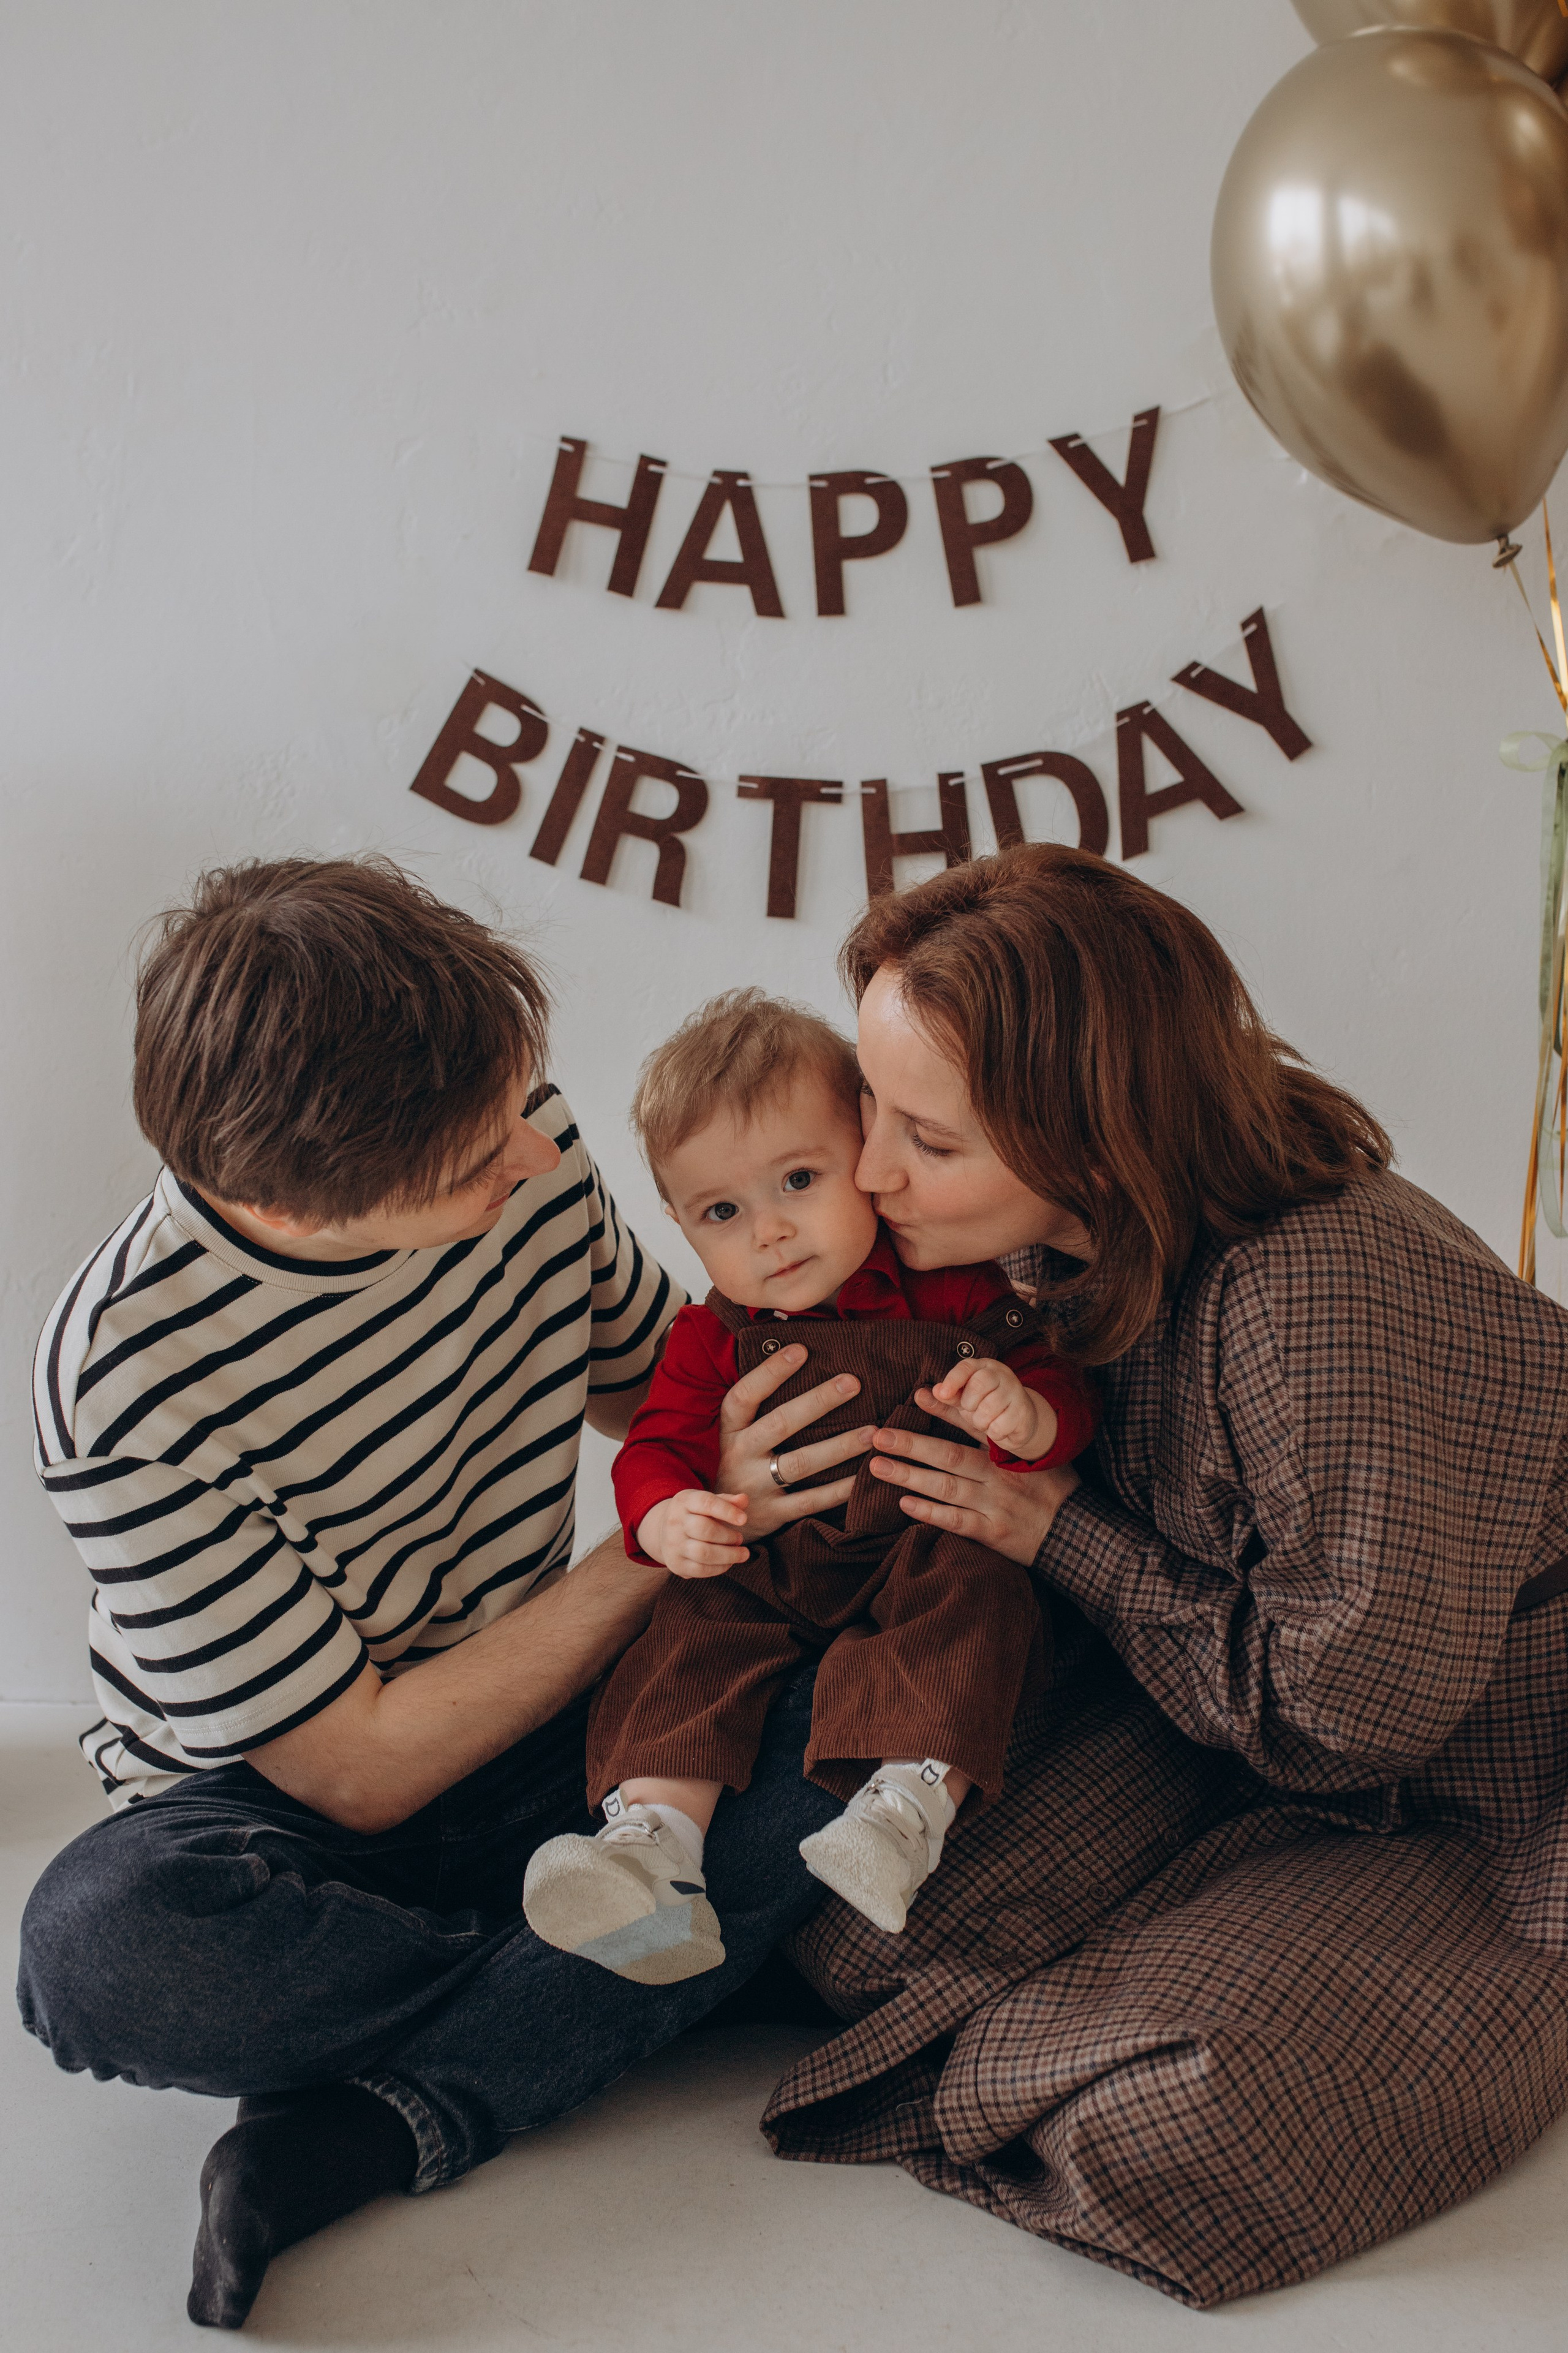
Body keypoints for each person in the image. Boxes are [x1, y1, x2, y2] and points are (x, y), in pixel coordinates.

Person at [15, 857, 876, 2332]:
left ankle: (357, 2120)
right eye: (478, 1162)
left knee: (909, 1684)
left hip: (553, 1722)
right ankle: (656, 1968)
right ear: (296, 1201)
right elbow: (357, 1768)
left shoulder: (516, 1127)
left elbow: (654, 1384)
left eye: (519, 1110)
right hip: (283, 1811)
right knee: (102, 1952)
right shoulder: (126, 1380)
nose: (538, 1160)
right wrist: (654, 1545)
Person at [753, 840, 1568, 2310]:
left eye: (927, 1142)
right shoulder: (1056, 1249)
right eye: (873, 1107)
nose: (872, 1172)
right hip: (1226, 1718)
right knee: (854, 1927)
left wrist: (1053, 1530)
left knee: (1176, 2115)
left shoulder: (1311, 1293)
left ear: (1086, 1132)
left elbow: (1353, 1712)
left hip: (1478, 1780)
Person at [521, 989, 1096, 1977]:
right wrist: (667, 1517)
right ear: (678, 1223)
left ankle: (905, 1807)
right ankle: (652, 1850)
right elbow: (656, 1445)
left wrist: (1025, 1413)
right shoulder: (712, 1334)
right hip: (773, 1564)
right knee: (685, 1639)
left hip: (919, 1540)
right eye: (723, 1212)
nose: (771, 1233)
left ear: (867, 1154)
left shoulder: (950, 1286)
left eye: (798, 1178)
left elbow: (1053, 1382)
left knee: (978, 1599)